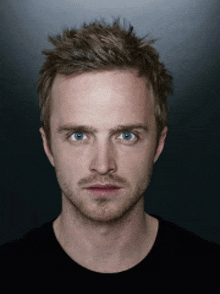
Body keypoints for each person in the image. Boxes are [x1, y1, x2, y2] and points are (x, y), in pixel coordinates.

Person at [0, 19, 219, 292]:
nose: (103, 165)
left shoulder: (212, 274)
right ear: (48, 146)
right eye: (78, 136)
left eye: (126, 136)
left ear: (159, 144)